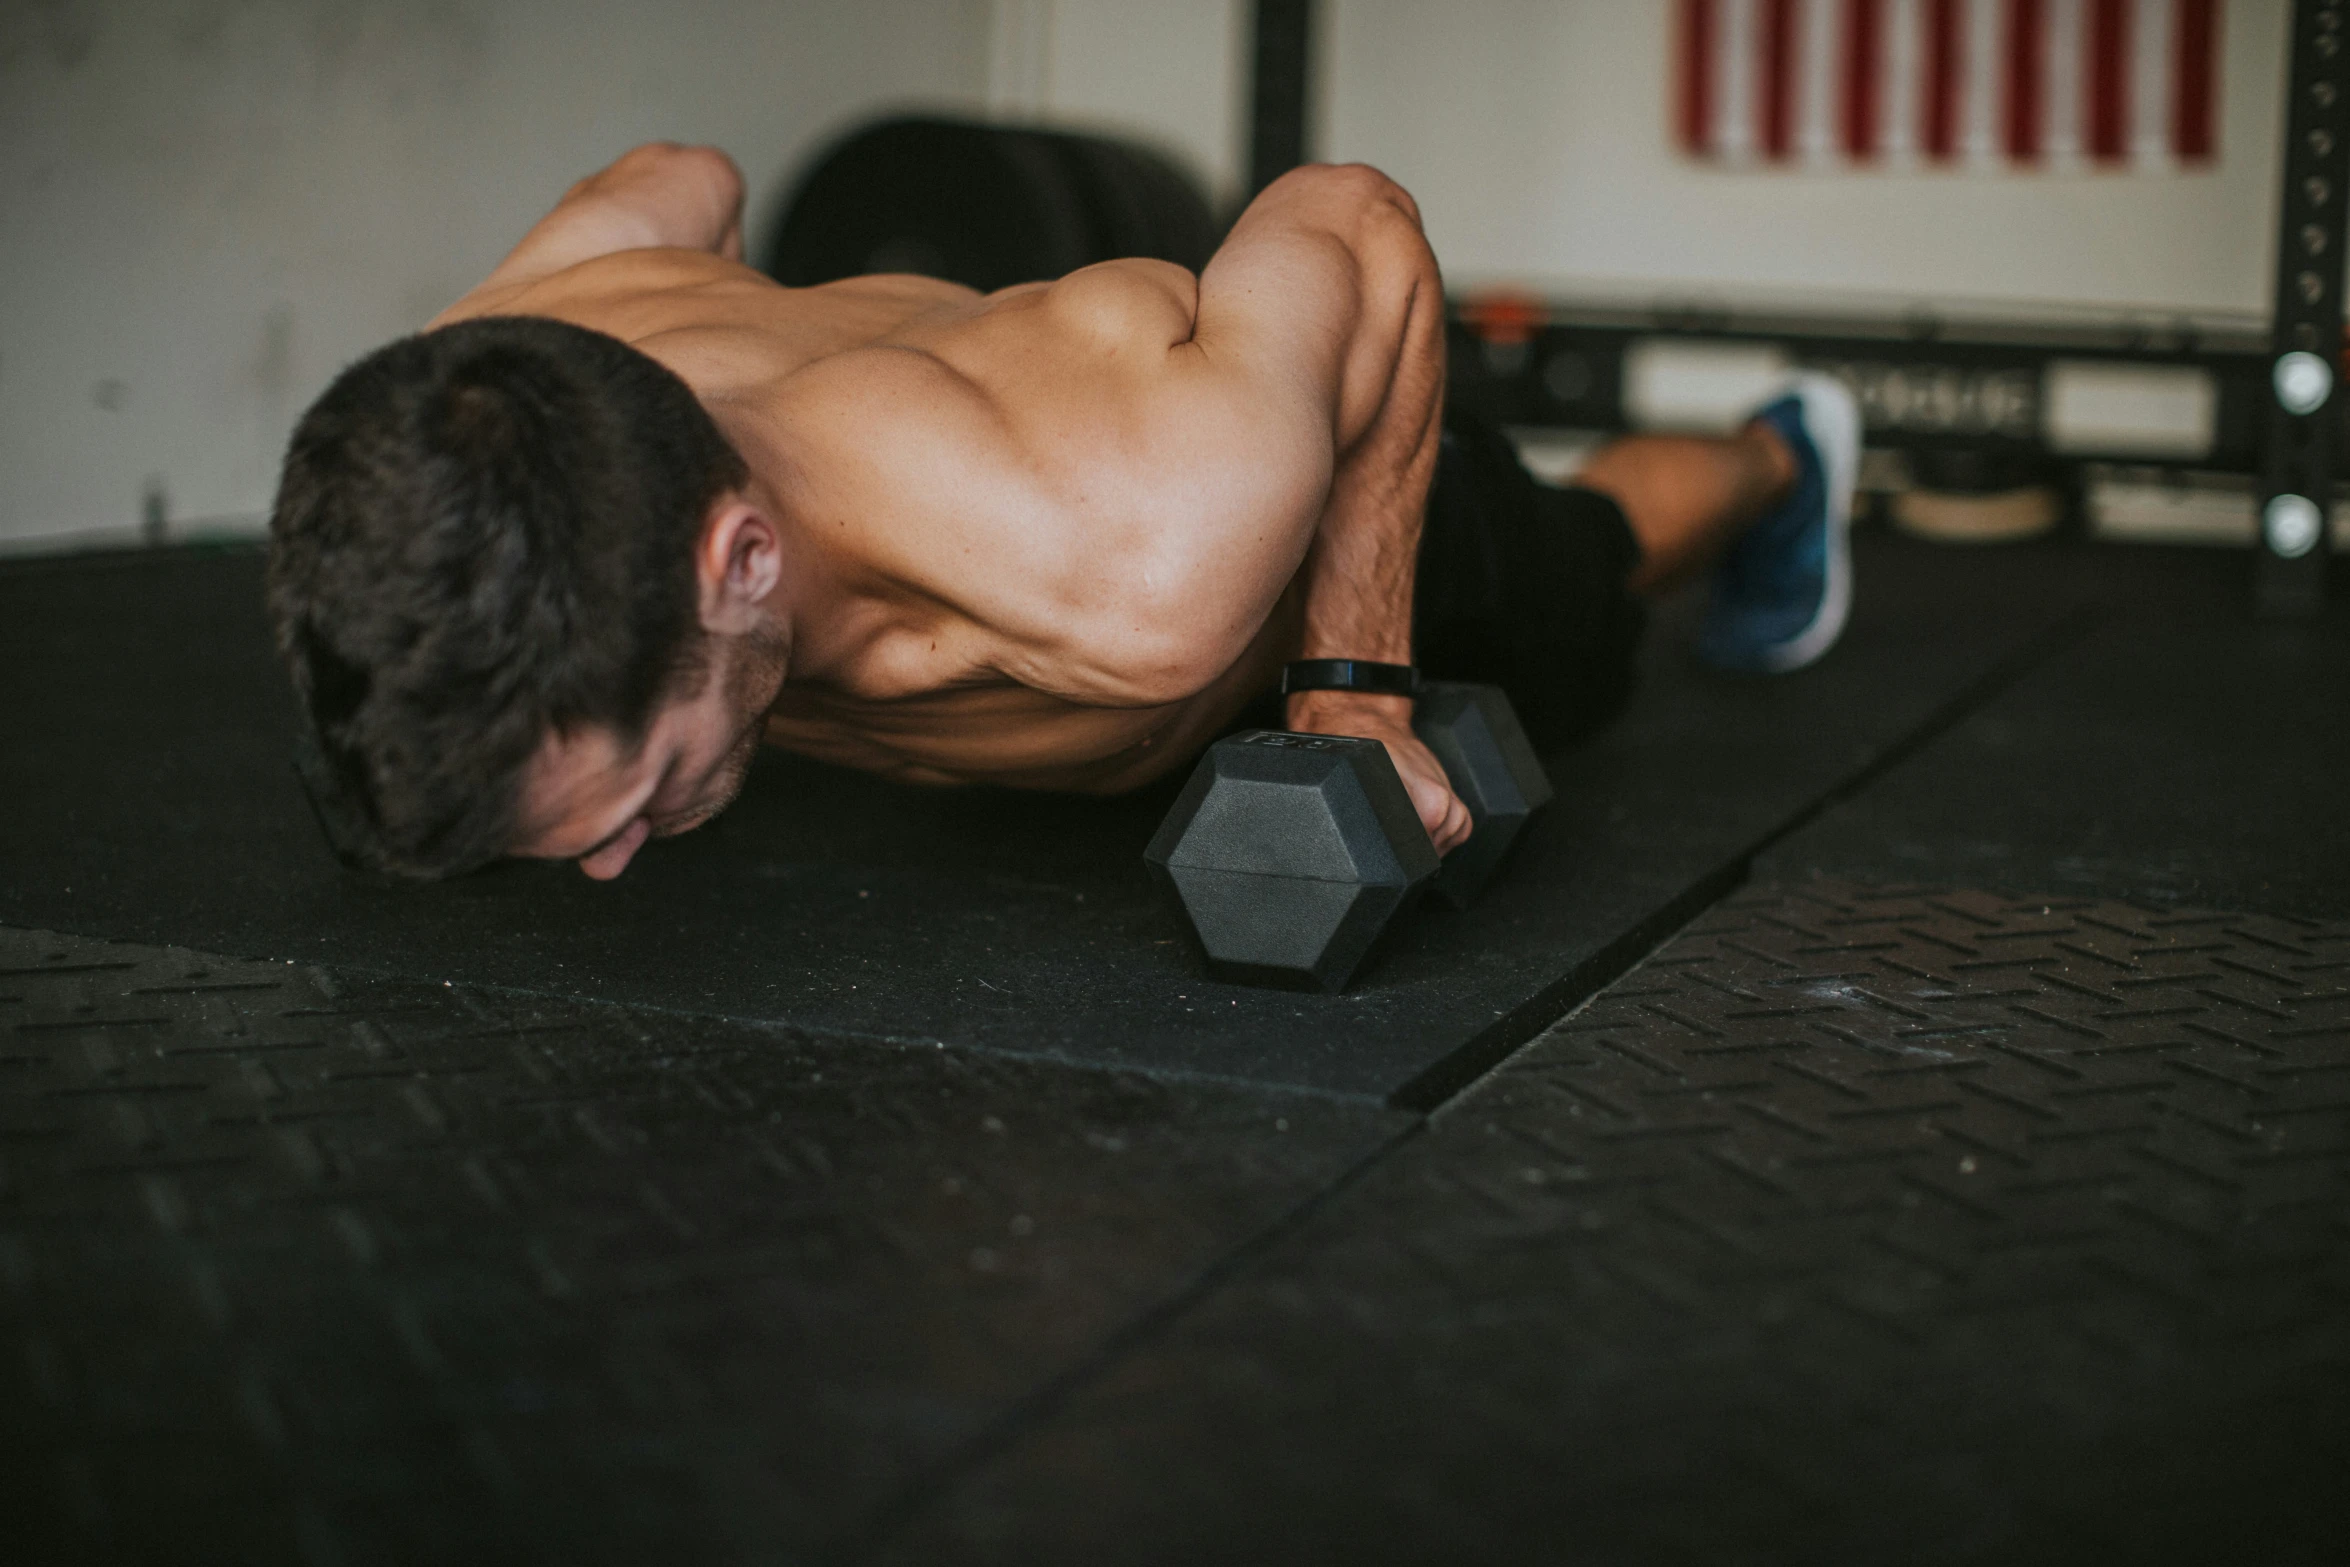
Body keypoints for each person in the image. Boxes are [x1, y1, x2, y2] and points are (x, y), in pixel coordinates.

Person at [267, 142, 1857, 882]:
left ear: (738, 560)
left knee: (1593, 555)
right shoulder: (486, 391)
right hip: (936, 474)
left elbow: (1349, 220)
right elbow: (678, 180)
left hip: (1293, 545)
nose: (607, 869)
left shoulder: (1145, 545)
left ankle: (1785, 457)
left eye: (632, 804)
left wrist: (1353, 682)